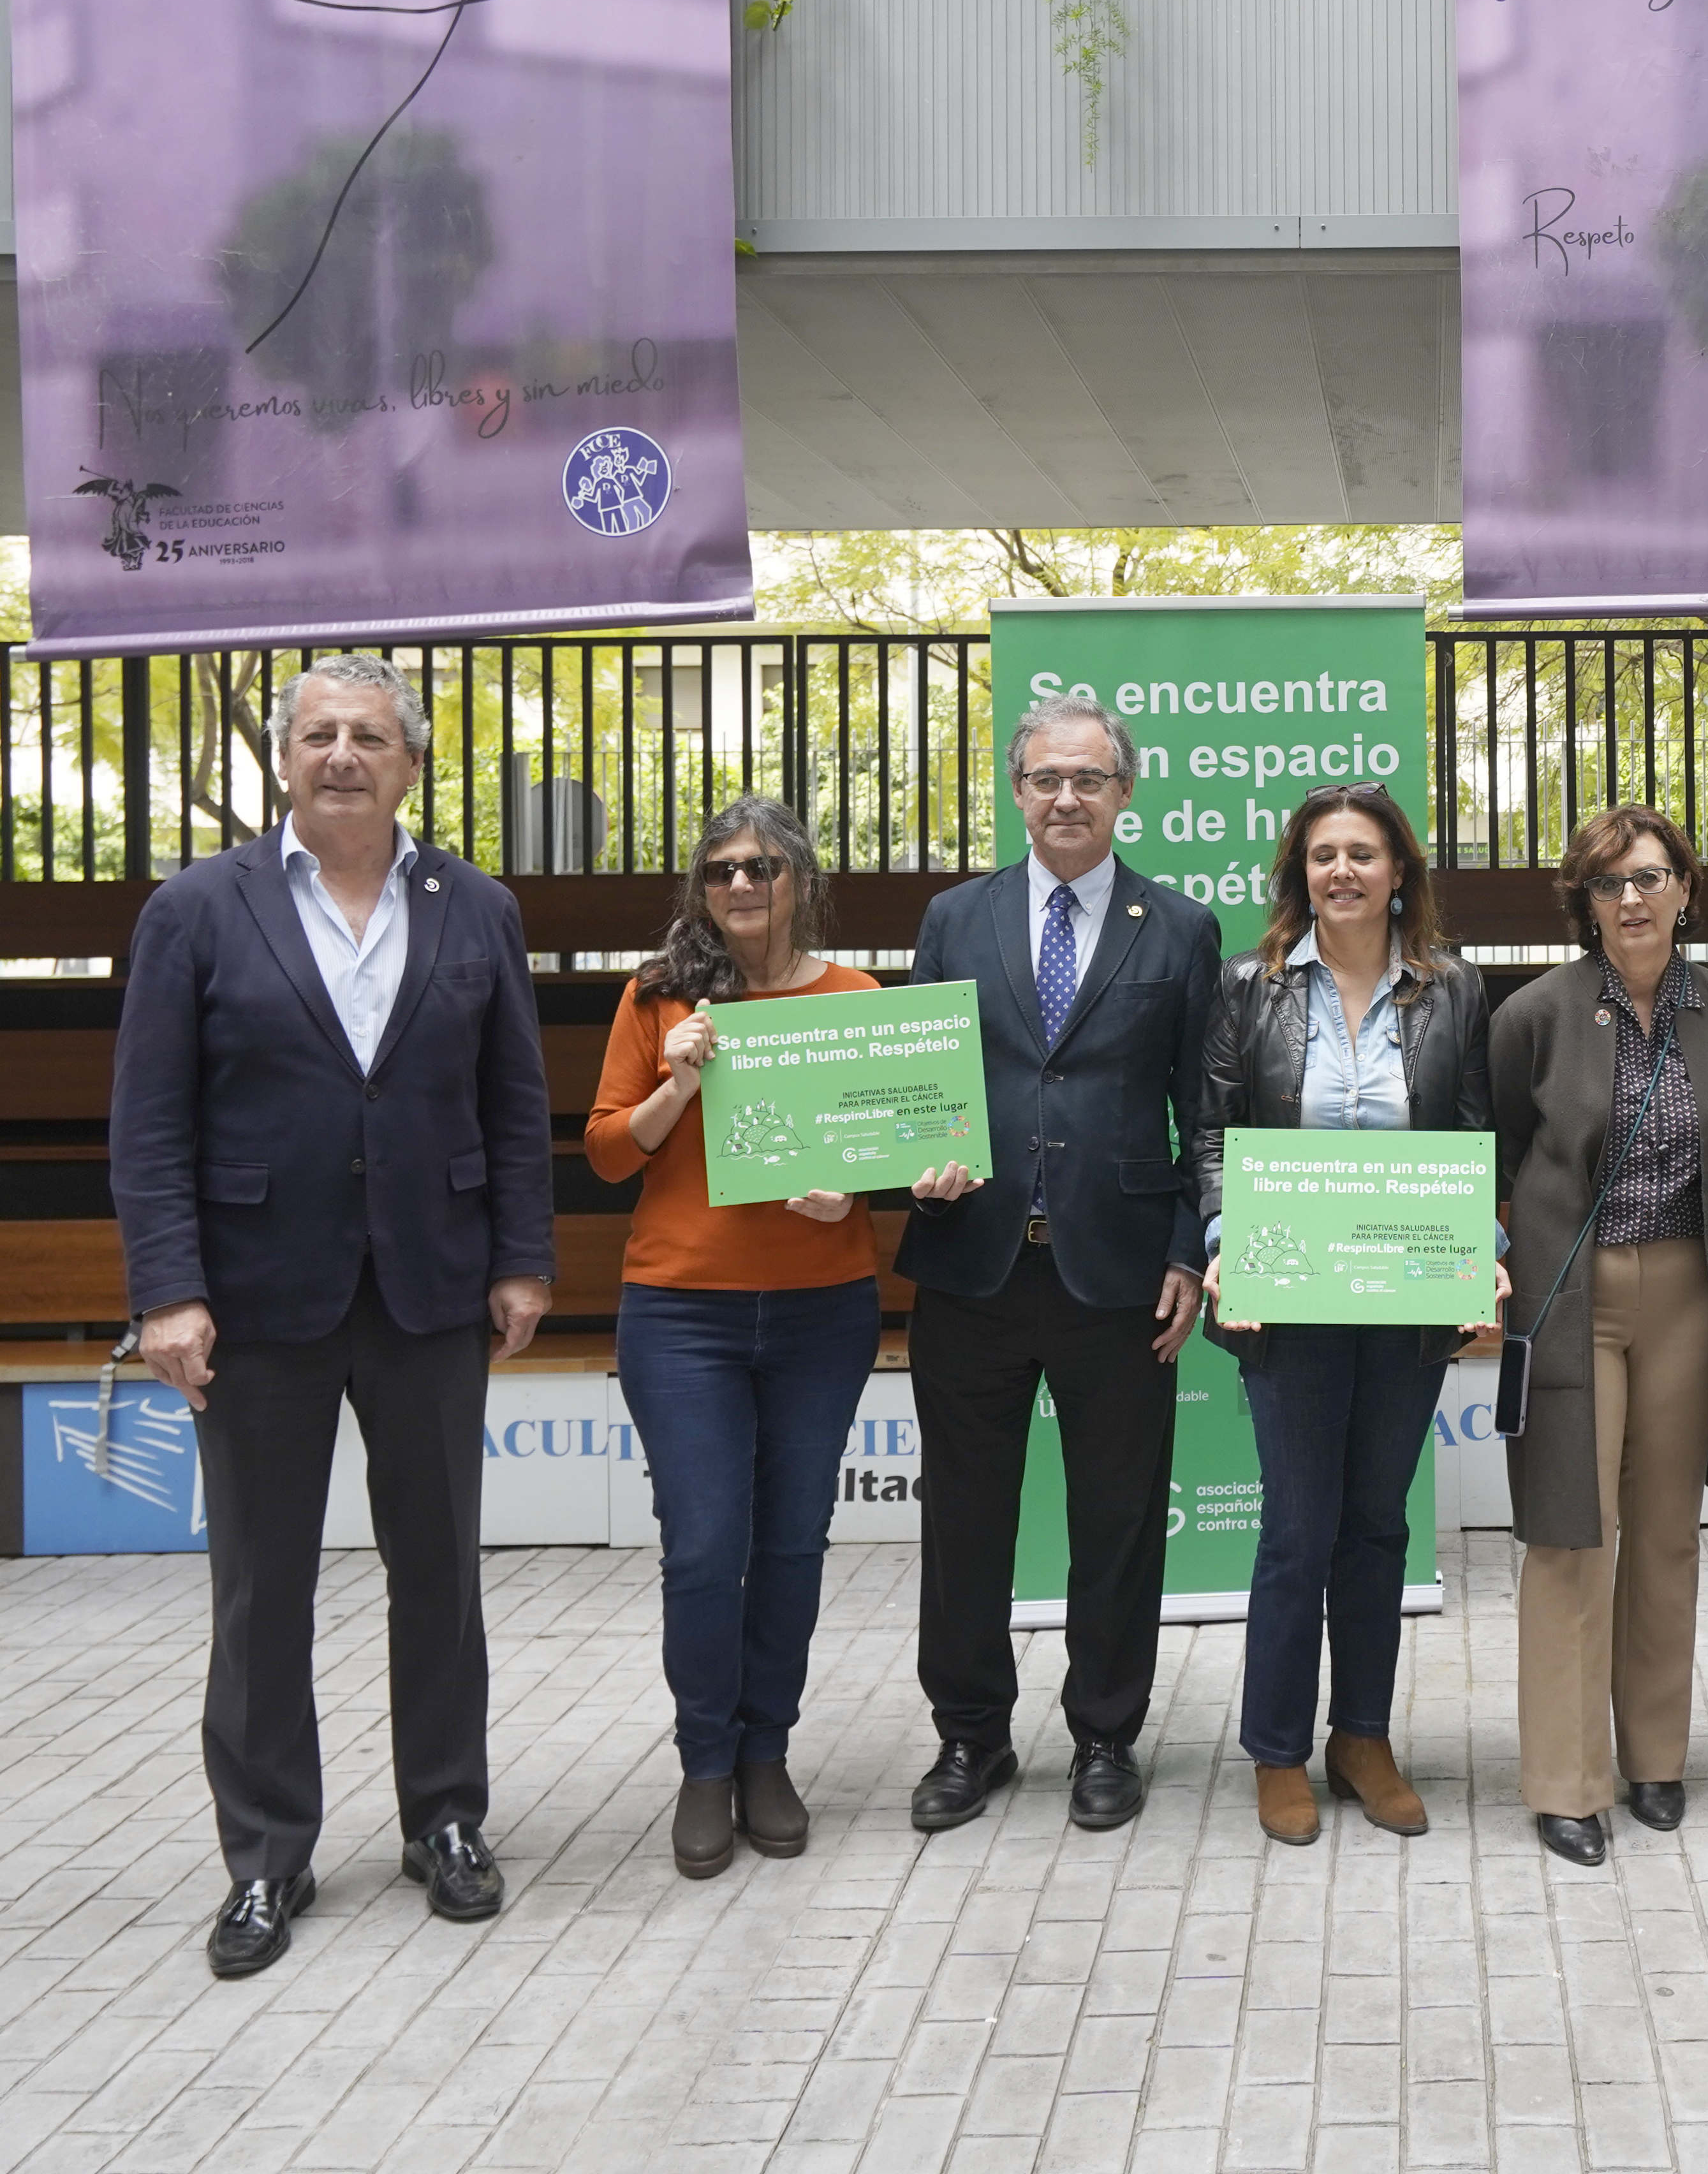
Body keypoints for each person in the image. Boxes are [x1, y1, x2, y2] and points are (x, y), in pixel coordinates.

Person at [110, 652, 553, 1979]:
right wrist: (168, 1291)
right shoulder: (198, 907)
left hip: (427, 1285)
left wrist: (523, 1258)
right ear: (285, 760)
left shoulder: (476, 905)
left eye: (369, 735)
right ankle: (265, 1855)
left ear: (410, 762)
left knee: (442, 1574)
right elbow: (150, 1119)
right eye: (319, 735)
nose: (343, 754)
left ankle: (448, 1816)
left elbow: (514, 1100)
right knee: (261, 1589)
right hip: (256, 1300)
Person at [894, 689, 1222, 1835]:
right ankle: (971, 1736)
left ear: (1125, 793)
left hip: (1121, 1273)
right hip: (971, 1264)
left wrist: (1191, 1247)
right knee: (968, 1520)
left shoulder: (1178, 928)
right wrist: (915, 1160)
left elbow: (1205, 1109)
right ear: (1017, 790)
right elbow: (918, 1076)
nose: (1067, 797)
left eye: (1090, 779)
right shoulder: (955, 917)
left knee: (1120, 1519)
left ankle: (1105, 1736)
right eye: (1046, 779)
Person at [1189, 784, 1500, 1847]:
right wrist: (1226, 1246)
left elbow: (1472, 1136)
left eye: (1363, 854)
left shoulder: (1455, 992)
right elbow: (1213, 1137)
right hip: (1287, 1299)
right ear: (1300, 874)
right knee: (1296, 1529)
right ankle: (1278, 1749)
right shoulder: (1249, 986)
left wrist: (1486, 1257)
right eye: (1324, 856)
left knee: (1377, 1525)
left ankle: (1361, 1737)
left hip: (1408, 1299)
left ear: (1400, 871)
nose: (1343, 873)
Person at [584, 797, 883, 1881]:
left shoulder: (854, 999)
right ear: (700, 891)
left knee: (794, 1541)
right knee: (708, 1546)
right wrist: (680, 1080)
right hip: (684, 1313)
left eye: (763, 867)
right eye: (720, 872)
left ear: (800, 878)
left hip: (821, 1306)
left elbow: (890, 1143)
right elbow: (611, 1153)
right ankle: (704, 1762)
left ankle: (769, 1754)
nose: (742, 887)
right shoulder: (659, 998)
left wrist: (846, 1187)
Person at [1492, 804, 1708, 1867]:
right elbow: (1508, 1151)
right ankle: (1567, 1780)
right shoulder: (1536, 1014)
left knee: (1662, 1533)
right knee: (1572, 1535)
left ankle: (1655, 1757)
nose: (1635, 900)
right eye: (1611, 885)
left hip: (1688, 1296)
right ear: (1586, 906)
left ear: (1686, 889)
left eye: (1652, 878)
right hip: (1573, 1296)